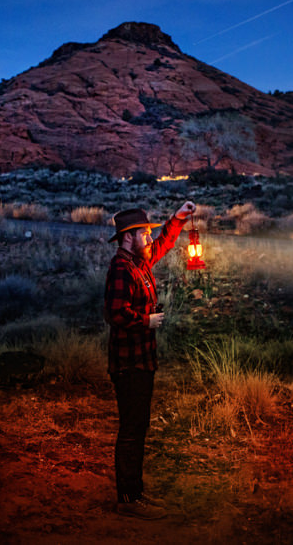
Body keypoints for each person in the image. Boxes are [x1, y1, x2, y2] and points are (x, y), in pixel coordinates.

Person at [104, 201, 196, 519]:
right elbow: (115, 313)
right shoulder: (121, 268)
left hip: (142, 360)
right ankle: (128, 499)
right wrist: (146, 321)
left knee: (138, 426)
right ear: (128, 237)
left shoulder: (140, 262)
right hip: (129, 363)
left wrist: (180, 218)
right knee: (131, 429)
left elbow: (163, 244)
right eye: (144, 233)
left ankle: (135, 493)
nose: (148, 237)